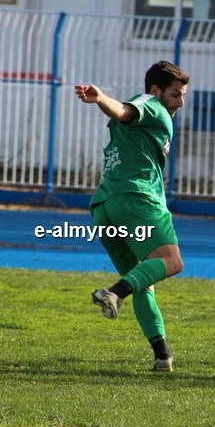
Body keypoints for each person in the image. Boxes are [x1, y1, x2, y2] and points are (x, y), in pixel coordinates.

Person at [74, 60, 190, 372]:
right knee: (172, 262)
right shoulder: (152, 105)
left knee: (142, 281)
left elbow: (123, 117)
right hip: (136, 199)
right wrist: (100, 98)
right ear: (156, 90)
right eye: (176, 94)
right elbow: (125, 110)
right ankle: (113, 293)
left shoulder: (152, 114)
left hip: (105, 207)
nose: (180, 102)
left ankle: (162, 356)